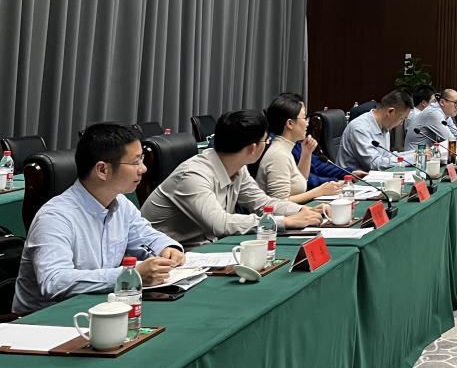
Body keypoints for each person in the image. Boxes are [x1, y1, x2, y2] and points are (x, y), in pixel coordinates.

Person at [12, 123, 185, 314]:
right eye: (135, 162)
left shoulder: (120, 203)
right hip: (46, 320)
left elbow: (147, 237)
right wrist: (129, 276)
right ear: (102, 170)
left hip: (99, 308)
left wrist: (168, 248)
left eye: (142, 159)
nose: (143, 169)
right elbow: (54, 282)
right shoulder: (54, 218)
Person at [140, 111, 324, 246]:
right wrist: (285, 221)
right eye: (266, 141)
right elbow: (220, 224)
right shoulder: (193, 175)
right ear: (252, 148)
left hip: (204, 248)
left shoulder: (237, 168)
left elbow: (263, 203)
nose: (267, 145)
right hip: (166, 256)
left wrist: (304, 210)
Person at [256, 93, 343, 203]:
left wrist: (306, 154)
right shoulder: (278, 155)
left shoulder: (285, 147)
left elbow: (299, 183)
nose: (307, 123)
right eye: (305, 118)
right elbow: (279, 202)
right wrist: (320, 191)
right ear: (290, 124)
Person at [338, 89, 414, 171]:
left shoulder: (384, 126)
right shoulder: (360, 128)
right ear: (390, 112)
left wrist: (415, 154)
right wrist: (411, 159)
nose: (401, 123)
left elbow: (386, 157)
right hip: (352, 177)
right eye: (402, 118)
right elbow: (374, 164)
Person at [404, 85, 438, 150]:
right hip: (417, 153)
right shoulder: (416, 116)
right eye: (434, 101)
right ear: (424, 103)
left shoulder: (413, 112)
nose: (436, 104)